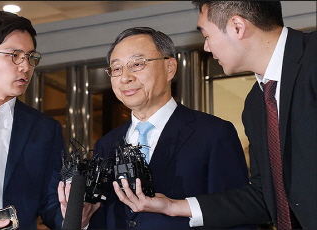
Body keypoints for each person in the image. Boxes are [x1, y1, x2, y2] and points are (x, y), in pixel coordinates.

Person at [112, 1, 317, 229]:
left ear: (237, 27)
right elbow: (263, 197)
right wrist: (172, 206)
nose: (206, 47)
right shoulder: (256, 103)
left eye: (207, 35)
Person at [84, 26, 251, 229]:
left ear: (170, 68)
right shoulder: (106, 144)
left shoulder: (213, 133)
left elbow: (236, 213)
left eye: (137, 64)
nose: (125, 77)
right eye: (117, 69)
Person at [0, 11, 65, 229]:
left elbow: (50, 204)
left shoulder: (45, 128)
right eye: (14, 55)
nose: (25, 66)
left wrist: (77, 216)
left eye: (30, 57)